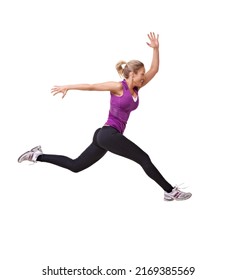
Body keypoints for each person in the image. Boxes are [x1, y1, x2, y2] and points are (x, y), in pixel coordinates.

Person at [18, 32, 192, 201]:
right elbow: (92, 86)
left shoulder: (137, 87)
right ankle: (170, 191)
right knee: (143, 158)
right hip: (109, 134)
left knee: (76, 165)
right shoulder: (118, 86)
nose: (143, 77)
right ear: (132, 74)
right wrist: (68, 86)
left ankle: (37, 156)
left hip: (105, 136)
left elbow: (155, 69)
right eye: (141, 74)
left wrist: (155, 49)